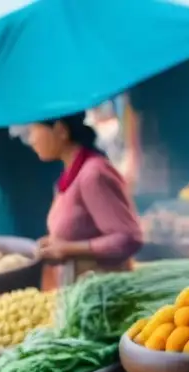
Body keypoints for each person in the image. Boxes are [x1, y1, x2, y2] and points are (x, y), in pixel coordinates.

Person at [26, 114, 143, 287]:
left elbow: (128, 238)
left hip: (105, 297)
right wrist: (54, 243)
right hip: (81, 293)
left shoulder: (93, 174)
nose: (31, 140)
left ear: (60, 130)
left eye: (33, 130)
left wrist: (67, 249)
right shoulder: (70, 173)